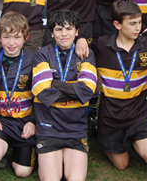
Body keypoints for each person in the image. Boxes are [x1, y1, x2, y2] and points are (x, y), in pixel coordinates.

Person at [93, 0, 147, 170]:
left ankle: (137, 138)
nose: (138, 28)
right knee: (121, 165)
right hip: (111, 117)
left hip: (139, 114)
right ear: (117, 24)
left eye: (139, 22)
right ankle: (100, 131)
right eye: (132, 23)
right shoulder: (101, 45)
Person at [32, 10, 97, 181]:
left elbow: (87, 91)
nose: (64, 34)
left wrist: (54, 83)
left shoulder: (86, 54)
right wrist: (75, 90)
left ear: (77, 32)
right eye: (59, 29)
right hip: (48, 126)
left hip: (76, 128)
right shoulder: (42, 54)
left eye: (69, 29)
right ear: (52, 33)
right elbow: (42, 92)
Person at [0, 12, 36, 177]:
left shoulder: (34, 60)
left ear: (25, 38)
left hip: (24, 121)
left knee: (22, 172)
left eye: (17, 37)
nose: (11, 43)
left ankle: (18, 150)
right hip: (0, 121)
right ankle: (2, 149)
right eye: (6, 37)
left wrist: (34, 122)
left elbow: (41, 96)